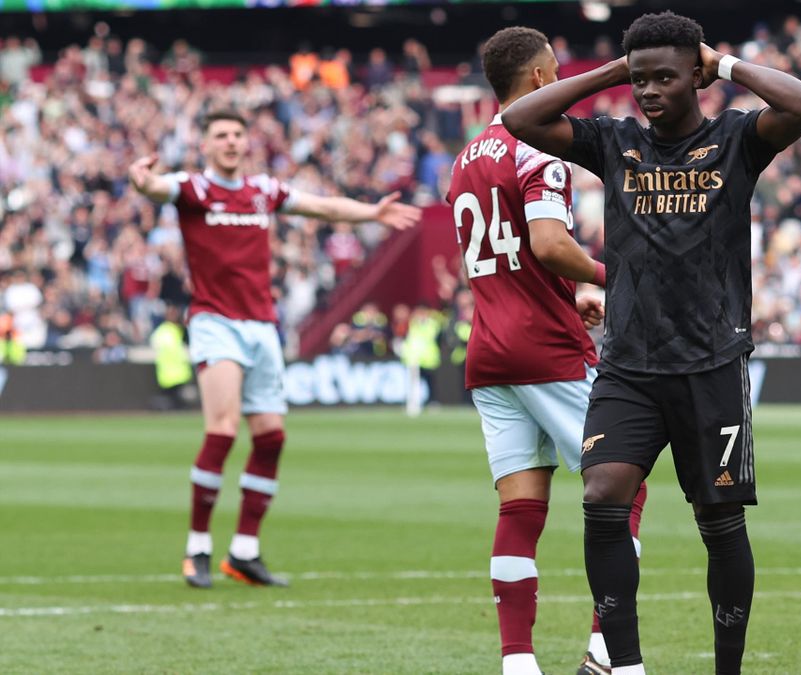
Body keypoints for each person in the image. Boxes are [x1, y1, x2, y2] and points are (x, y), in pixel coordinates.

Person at [503, 12, 801, 674]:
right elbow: (519, 118)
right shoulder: (613, 141)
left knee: (720, 522)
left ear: (695, 77)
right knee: (602, 496)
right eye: (640, 80)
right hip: (629, 366)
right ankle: (626, 666)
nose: (649, 91)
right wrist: (616, 69)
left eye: (665, 78)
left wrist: (724, 62)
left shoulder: (736, 139)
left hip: (712, 364)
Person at [128, 110, 421, 589]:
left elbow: (322, 207)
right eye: (220, 135)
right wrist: (142, 181)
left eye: (236, 134)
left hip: (262, 325)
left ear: (247, 143)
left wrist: (371, 213)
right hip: (215, 322)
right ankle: (197, 546)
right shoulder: (193, 188)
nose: (230, 141)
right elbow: (157, 188)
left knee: (271, 437)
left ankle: (244, 551)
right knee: (223, 430)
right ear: (205, 145)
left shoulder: (262, 190)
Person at [448, 27, 650, 675]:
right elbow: (548, 245)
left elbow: (507, 259)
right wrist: (614, 277)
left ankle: (517, 662)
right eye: (557, 73)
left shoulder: (466, 156)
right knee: (625, 485)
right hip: (546, 350)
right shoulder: (538, 148)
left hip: (490, 351)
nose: (560, 82)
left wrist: (567, 295)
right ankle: (606, 650)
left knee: (520, 506)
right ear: (538, 79)